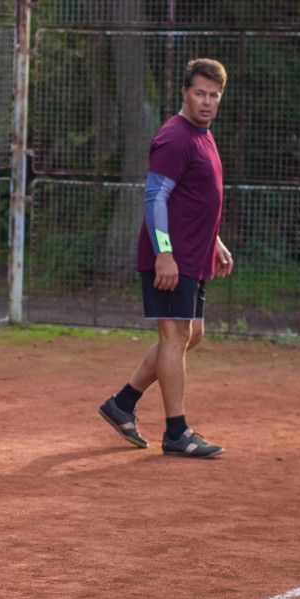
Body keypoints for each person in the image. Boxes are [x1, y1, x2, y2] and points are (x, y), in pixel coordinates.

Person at [98, 58, 234, 459]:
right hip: (174, 257)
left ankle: (123, 403)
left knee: (191, 335)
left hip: (195, 252)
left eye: (214, 95)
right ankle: (177, 432)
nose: (207, 101)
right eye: (200, 93)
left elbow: (194, 199)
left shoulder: (202, 134)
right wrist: (165, 254)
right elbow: (155, 197)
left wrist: (216, 241)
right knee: (174, 338)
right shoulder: (175, 136)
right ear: (184, 93)